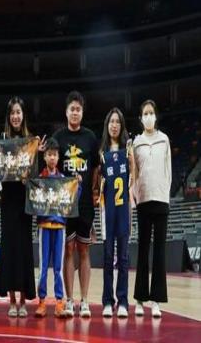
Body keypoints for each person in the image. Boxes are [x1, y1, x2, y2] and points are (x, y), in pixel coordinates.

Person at [53, 91, 99, 318]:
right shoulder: (58, 137)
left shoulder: (90, 137)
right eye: (72, 109)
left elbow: (96, 168)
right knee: (68, 250)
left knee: (84, 249)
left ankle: (85, 300)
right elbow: (51, 165)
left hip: (86, 203)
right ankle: (69, 299)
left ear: (82, 112)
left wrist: (95, 191)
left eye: (78, 109)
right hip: (65, 204)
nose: (75, 112)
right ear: (66, 112)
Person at [0, 97, 36, 318]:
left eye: (18, 112)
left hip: (24, 200)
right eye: (12, 113)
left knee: (24, 248)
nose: (15, 116)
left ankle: (23, 300)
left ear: (23, 115)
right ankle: (11, 300)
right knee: (9, 248)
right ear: (8, 117)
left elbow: (35, 175)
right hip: (8, 199)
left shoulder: (31, 142)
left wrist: (28, 178)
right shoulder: (2, 141)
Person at [132, 100, 171, 318]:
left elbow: (168, 170)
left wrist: (165, 194)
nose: (148, 116)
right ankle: (140, 298)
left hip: (161, 200)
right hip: (144, 201)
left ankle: (156, 300)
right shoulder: (136, 143)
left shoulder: (164, 139)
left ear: (155, 116)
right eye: (145, 113)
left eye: (151, 113)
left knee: (159, 251)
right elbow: (134, 173)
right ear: (141, 118)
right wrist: (136, 195)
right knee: (143, 250)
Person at [99, 107, 134, 318]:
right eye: (111, 121)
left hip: (124, 209)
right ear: (107, 125)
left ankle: (123, 301)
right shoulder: (101, 153)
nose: (114, 125)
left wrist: (132, 159)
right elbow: (98, 184)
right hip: (107, 210)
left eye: (117, 121)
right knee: (107, 257)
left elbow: (134, 176)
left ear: (122, 125)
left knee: (123, 257)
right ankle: (107, 300)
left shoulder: (128, 150)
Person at [35, 138, 72, 319]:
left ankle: (59, 301)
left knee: (58, 266)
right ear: (44, 156)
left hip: (59, 227)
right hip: (44, 226)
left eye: (54, 155)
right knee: (43, 267)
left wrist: (78, 184)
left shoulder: (64, 180)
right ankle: (42, 301)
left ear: (58, 157)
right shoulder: (39, 179)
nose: (52, 158)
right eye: (49, 154)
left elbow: (73, 197)